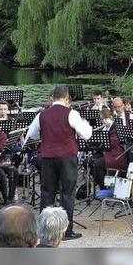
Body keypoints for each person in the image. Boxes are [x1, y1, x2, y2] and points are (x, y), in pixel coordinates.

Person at [24, 86, 92, 240]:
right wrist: (85, 122)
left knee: (47, 192)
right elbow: (86, 135)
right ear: (67, 98)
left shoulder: (42, 114)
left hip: (47, 157)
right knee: (67, 193)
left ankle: (44, 231)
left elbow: (32, 134)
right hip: (67, 157)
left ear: (52, 97)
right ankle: (65, 231)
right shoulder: (72, 113)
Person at [89, 108, 127, 190]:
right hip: (107, 152)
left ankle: (104, 187)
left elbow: (113, 143)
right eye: (102, 119)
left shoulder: (116, 127)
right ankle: (100, 179)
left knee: (97, 164)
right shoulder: (105, 128)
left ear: (110, 117)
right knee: (89, 161)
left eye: (105, 118)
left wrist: (101, 143)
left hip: (116, 155)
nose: (104, 121)